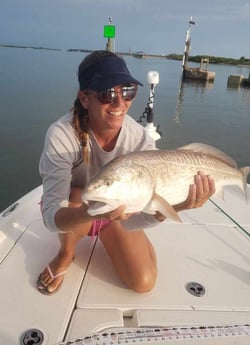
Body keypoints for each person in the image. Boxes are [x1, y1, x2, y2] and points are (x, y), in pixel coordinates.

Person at [37, 50, 215, 295]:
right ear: (85, 98)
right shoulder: (61, 135)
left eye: (128, 91)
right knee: (78, 193)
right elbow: (50, 216)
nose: (120, 103)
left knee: (143, 282)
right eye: (107, 93)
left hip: (119, 212)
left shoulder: (140, 140)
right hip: (78, 206)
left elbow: (138, 220)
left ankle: (128, 241)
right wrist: (91, 212)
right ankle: (65, 253)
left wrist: (176, 207)